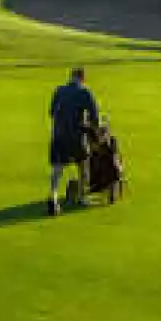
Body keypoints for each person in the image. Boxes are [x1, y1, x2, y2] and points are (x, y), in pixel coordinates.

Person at [47, 66, 100, 216]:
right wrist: (95, 131)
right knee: (83, 164)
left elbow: (51, 112)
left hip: (58, 135)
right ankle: (82, 197)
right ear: (82, 78)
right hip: (76, 136)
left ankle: (53, 196)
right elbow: (94, 116)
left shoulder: (58, 90)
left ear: (71, 77)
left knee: (57, 168)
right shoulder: (85, 92)